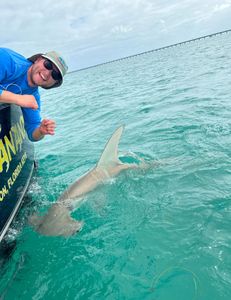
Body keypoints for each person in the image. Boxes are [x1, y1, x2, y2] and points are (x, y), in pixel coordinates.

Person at [0, 48, 68, 141]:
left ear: (54, 84)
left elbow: (32, 133)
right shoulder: (6, 59)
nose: (47, 73)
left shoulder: (33, 97)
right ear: (38, 59)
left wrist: (41, 131)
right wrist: (17, 99)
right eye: (48, 65)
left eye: (55, 75)